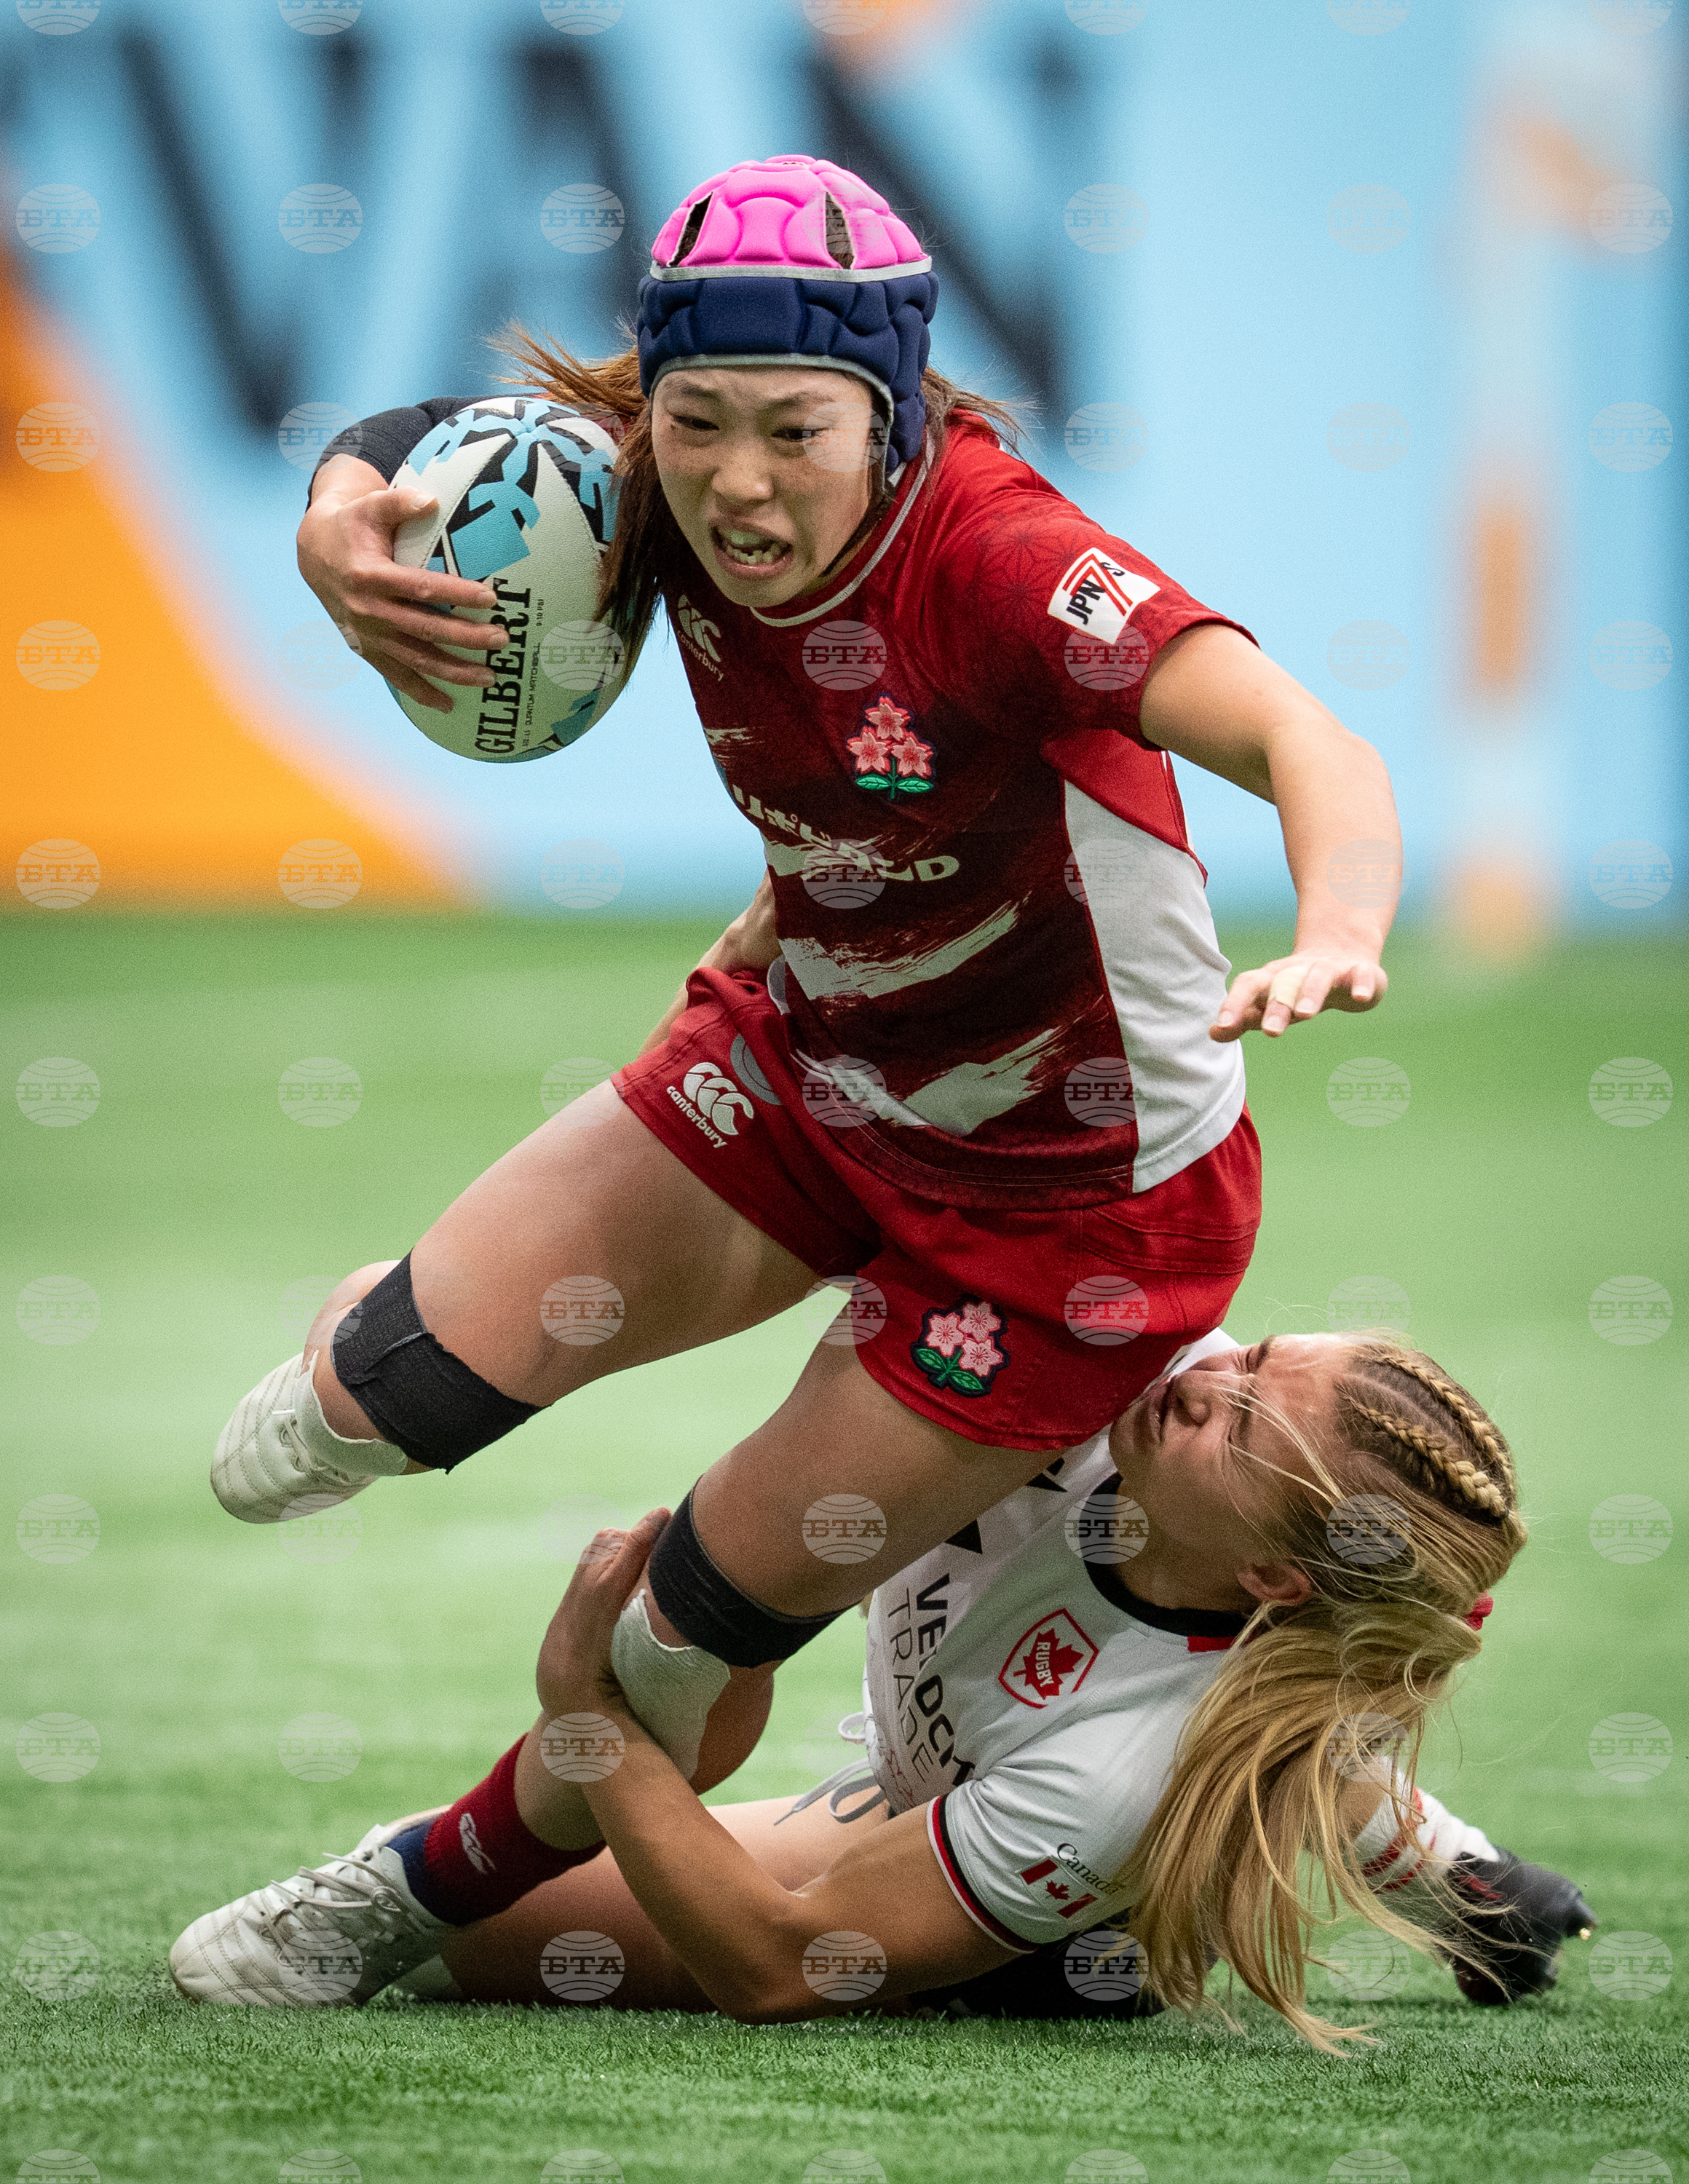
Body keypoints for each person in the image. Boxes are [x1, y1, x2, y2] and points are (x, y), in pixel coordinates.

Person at [217, 151, 1405, 1811]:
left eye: (795, 432)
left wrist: (1339, 929)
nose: (737, 484)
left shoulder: (997, 560)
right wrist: (333, 513)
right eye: (695, 421)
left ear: (890, 417)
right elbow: (434, 431)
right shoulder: (663, 467)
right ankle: (441, 1318)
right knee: (325, 1428)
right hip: (814, 1073)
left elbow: (1300, 734)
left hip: (1069, 1206)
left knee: (670, 1637)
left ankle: (410, 1896)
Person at [174, 1328, 1592, 2048]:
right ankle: (1399, 1827)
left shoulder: (1103, 1781)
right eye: (1256, 1352)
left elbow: (780, 1964)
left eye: (1241, 1422)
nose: (1206, 1374)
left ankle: (1371, 1812)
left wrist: (593, 1729)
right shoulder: (1132, 1354)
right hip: (1107, 1703)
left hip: (1025, 1897)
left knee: (494, 1952)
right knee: (1250, 1716)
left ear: (1277, 1575)